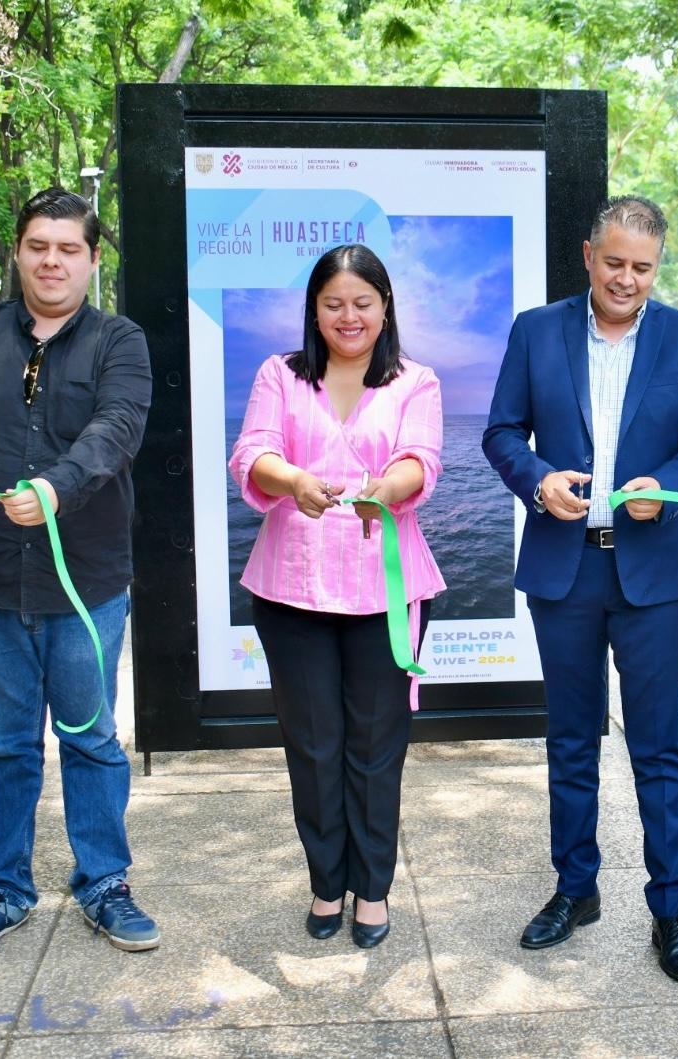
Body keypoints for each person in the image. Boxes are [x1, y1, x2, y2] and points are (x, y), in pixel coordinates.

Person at [0, 187, 158, 958]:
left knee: (92, 738)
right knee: (5, 744)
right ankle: (3, 889)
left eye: (68, 248)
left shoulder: (121, 340)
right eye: (38, 246)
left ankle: (104, 881)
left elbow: (117, 430)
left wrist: (56, 487)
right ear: (18, 250)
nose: (52, 260)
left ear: (92, 257)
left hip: (86, 581)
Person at [482, 196, 678, 983]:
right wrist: (538, 479)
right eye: (614, 262)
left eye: (643, 267)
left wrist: (672, 484)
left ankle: (671, 907)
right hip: (567, 566)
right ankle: (574, 889)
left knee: (659, 745)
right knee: (570, 737)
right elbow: (500, 433)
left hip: (653, 571)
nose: (627, 279)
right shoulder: (536, 329)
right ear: (588, 254)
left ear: (659, 267)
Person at [229, 243, 444, 949]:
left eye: (362, 302)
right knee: (314, 746)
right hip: (292, 589)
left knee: (377, 746)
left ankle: (374, 886)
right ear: (313, 310)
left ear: (385, 307)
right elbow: (251, 450)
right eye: (333, 304)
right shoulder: (280, 375)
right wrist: (291, 479)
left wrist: (388, 489)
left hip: (386, 591)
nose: (348, 317)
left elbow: (423, 458)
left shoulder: (417, 380)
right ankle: (327, 879)